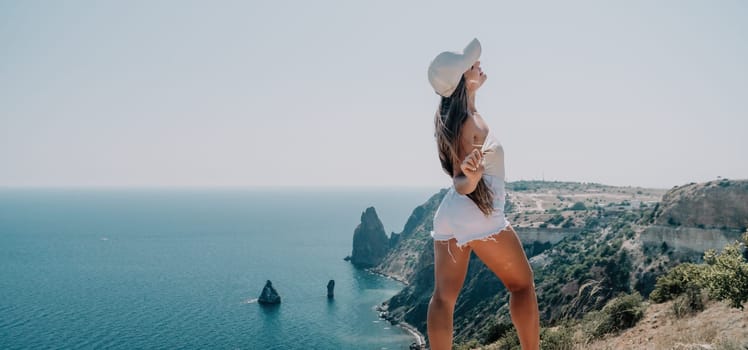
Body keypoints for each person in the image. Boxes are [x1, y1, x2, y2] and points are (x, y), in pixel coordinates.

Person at [425, 38, 540, 350]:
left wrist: (468, 180)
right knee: (522, 286)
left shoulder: (456, 117)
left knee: (443, 298)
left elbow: (460, 180)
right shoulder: (468, 122)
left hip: (450, 213)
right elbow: (463, 181)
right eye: (471, 64)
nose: (478, 65)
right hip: (477, 211)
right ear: (463, 78)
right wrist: (472, 180)